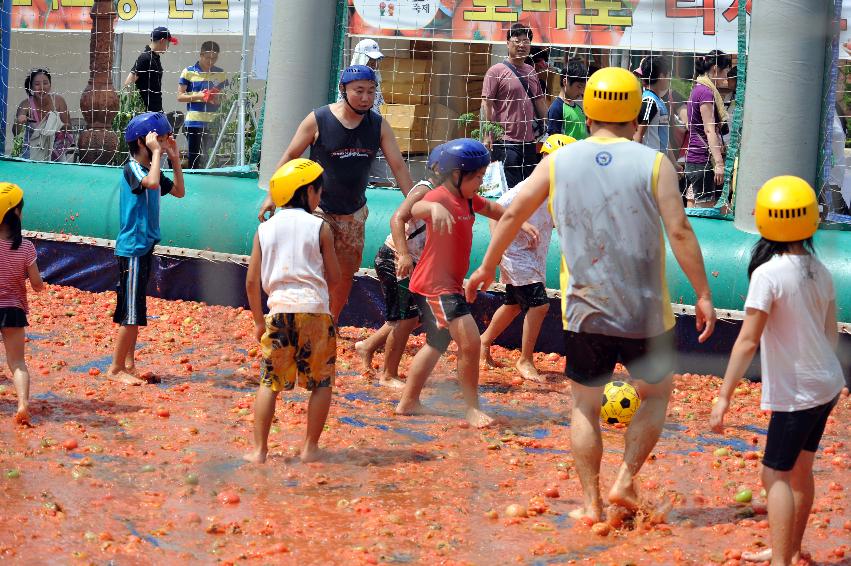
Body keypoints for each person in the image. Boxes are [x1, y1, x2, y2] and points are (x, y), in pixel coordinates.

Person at [466, 67, 717, 521]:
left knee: (584, 406)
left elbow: (510, 214)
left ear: (588, 107)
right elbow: (679, 230)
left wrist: (486, 267)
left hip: (584, 310)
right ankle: (625, 479)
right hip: (644, 309)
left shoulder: (559, 161)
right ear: (636, 107)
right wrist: (702, 293)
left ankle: (591, 504)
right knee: (656, 396)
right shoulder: (654, 163)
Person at [710, 176, 844, 566]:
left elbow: (747, 340)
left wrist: (724, 395)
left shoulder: (768, 275)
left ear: (768, 219)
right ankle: (791, 549)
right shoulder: (820, 269)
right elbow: (830, 335)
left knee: (775, 476)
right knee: (801, 470)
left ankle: (781, 560)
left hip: (799, 392)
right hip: (828, 384)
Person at [395, 138, 539, 428]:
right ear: (455, 175)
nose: (479, 183)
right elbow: (416, 209)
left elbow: (496, 210)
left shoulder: (468, 200)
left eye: (483, 177)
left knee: (436, 344)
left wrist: (520, 223)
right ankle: (471, 408)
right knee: (471, 344)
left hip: (447, 283)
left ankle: (408, 402)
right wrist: (432, 210)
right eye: (476, 177)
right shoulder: (437, 197)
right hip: (437, 286)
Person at [257, 65, 414, 322]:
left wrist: (413, 204)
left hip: (353, 214)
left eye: (371, 92)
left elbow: (398, 166)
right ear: (343, 90)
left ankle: (330, 322)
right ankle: (297, 317)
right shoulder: (319, 119)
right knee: (311, 268)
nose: (365, 98)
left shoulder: (378, 126)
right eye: (359, 91)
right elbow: (289, 156)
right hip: (317, 210)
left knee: (343, 276)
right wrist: (272, 195)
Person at [244, 159, 340, 464]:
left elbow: (251, 281)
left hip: (279, 312)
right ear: (309, 191)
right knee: (321, 382)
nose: (319, 197)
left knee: (269, 383)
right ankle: (310, 447)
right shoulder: (320, 226)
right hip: (314, 311)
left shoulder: (265, 229)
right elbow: (335, 278)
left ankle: (259, 451)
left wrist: (259, 321)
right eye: (318, 191)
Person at [479, 133, 574, 382]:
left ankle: (482, 343)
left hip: (533, 257)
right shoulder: (528, 187)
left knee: (513, 305)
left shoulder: (559, 193)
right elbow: (495, 213)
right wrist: (500, 249)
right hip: (515, 253)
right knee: (539, 305)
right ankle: (525, 359)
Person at [354, 145, 446, 387]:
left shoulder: (448, 196)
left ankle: (367, 346)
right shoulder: (424, 190)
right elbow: (397, 218)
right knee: (404, 318)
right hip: (394, 258)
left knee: (410, 317)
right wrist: (404, 254)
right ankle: (388, 374)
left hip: (415, 263)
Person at [107, 112, 185, 385]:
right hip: (132, 249)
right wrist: (156, 154)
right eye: (160, 140)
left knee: (136, 310)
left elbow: (178, 191)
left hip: (144, 247)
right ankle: (116, 368)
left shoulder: (152, 169)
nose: (164, 146)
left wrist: (174, 160)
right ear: (144, 141)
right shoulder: (133, 168)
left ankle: (129, 364)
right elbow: (150, 183)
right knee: (131, 313)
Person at [482, 23, 549, 188]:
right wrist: (486, 135)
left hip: (529, 143)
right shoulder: (495, 71)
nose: (522, 45)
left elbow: (540, 101)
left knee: (528, 189)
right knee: (509, 190)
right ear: (507, 43)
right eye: (517, 41)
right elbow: (486, 104)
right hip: (505, 142)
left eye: (526, 41)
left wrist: (550, 127)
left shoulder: (531, 71)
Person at [0, 183, 44, 426]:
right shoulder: (26, 247)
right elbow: (36, 282)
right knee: (17, 362)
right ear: (15, 213)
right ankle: (22, 405)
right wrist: (40, 286)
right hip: (13, 311)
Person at [685, 50, 732, 208]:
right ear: (715, 69)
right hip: (703, 162)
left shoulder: (698, 89)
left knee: (721, 209)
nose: (726, 78)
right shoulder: (706, 93)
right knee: (706, 215)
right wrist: (719, 163)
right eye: (726, 72)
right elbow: (709, 130)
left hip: (699, 160)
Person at [177, 41, 228, 169]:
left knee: (211, 159)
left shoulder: (221, 73)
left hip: (213, 123)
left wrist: (217, 99)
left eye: (214, 58)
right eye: (208, 58)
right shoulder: (188, 72)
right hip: (194, 122)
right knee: (195, 159)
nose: (211, 61)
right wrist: (200, 96)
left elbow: (225, 97)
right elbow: (180, 96)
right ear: (201, 55)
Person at [12, 68, 72, 162]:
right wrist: (19, 122)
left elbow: (69, 128)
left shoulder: (59, 101)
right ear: (31, 87)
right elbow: (16, 133)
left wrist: (55, 123)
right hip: (32, 153)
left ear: (50, 85)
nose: (42, 87)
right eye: (37, 84)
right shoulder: (25, 104)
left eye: (45, 83)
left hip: (55, 152)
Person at [124, 27, 178, 113]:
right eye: (168, 43)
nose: (168, 46)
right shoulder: (145, 58)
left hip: (156, 109)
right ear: (162, 41)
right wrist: (138, 105)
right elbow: (128, 83)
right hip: (146, 112)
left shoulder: (155, 58)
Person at [634, 56, 676, 165]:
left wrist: (674, 163)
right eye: (668, 76)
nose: (669, 79)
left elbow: (665, 138)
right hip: (650, 162)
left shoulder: (658, 101)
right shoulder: (649, 101)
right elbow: (638, 135)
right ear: (662, 76)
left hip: (660, 162)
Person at [546, 60, 588, 140]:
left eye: (583, 87)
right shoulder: (557, 108)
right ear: (565, 82)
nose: (582, 91)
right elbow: (553, 140)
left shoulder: (578, 107)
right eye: (579, 87)